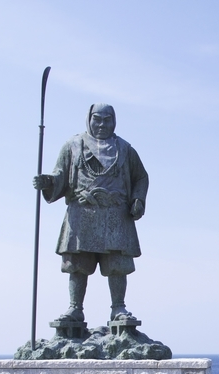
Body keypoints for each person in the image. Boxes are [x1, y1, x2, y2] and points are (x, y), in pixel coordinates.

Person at [33, 103, 148, 324]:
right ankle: (75, 308)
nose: (102, 124)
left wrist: (138, 199)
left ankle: (118, 307)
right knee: (77, 263)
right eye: (97, 119)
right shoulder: (73, 145)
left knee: (117, 263)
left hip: (115, 213)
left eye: (107, 120)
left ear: (114, 121)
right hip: (82, 212)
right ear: (89, 119)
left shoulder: (125, 149)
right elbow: (59, 175)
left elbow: (141, 177)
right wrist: (47, 182)